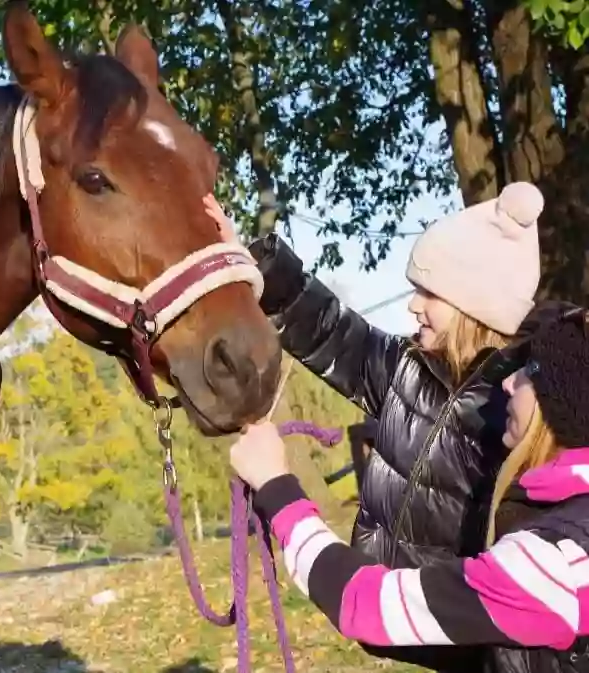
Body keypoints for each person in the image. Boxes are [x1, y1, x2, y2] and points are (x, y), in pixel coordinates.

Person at [204, 181, 548, 671]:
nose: (412, 305)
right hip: (385, 608)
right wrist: (253, 266)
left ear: (475, 305)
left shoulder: (519, 408)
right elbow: (326, 327)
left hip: (466, 632)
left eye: (429, 292)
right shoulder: (405, 368)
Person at [230, 308, 589, 673]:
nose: (510, 382)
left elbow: (364, 603)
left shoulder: (550, 567)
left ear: (563, 403)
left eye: (530, 371)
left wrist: (276, 488)